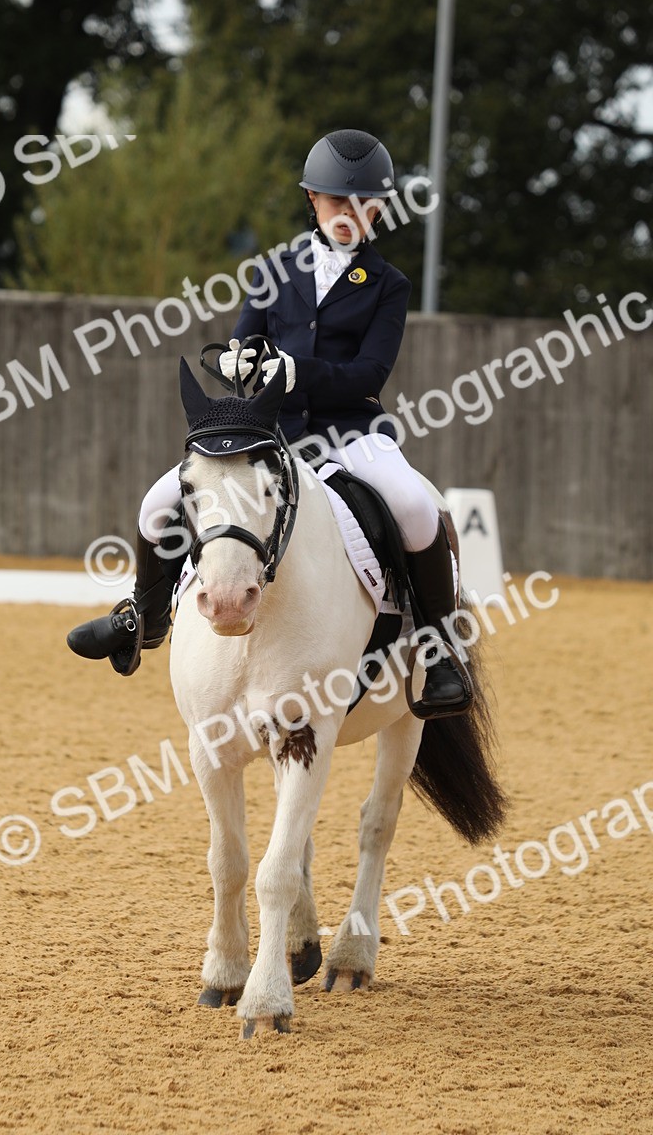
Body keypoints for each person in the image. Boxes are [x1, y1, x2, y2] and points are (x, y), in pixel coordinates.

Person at [67, 128, 468, 715]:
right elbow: (244, 341)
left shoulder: (389, 285)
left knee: (414, 507)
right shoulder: (275, 268)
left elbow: (369, 373)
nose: (348, 214)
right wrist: (238, 360)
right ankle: (143, 618)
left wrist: (297, 370)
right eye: (336, 201)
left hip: (352, 433)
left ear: (380, 207)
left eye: (363, 204)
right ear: (313, 199)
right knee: (157, 503)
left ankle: (440, 656)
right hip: (274, 434)